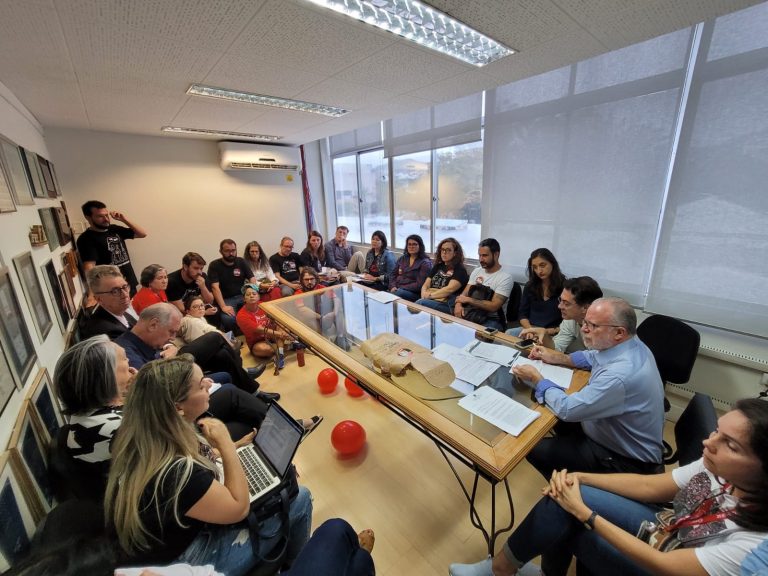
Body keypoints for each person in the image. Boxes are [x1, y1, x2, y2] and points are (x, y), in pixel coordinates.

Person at [450, 398, 768, 576]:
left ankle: (503, 569)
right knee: (567, 493)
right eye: (716, 432)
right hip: (672, 529)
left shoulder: (755, 546)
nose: (708, 443)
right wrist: (581, 478)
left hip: (672, 561)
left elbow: (666, 566)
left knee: (572, 523)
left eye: (730, 444)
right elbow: (652, 486)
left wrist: (586, 514)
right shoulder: (717, 465)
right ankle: (509, 568)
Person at [104, 356, 313, 574]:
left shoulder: (148, 436)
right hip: (189, 559)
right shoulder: (176, 472)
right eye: (200, 385)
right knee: (301, 498)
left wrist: (237, 445)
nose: (209, 383)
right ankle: (298, 569)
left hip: (163, 546)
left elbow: (201, 458)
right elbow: (239, 508)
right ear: (178, 407)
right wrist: (226, 444)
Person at [512, 297, 665, 478]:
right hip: (609, 430)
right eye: (584, 323)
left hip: (625, 461)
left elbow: (568, 409)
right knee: (550, 412)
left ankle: (568, 489)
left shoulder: (620, 375)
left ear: (619, 332)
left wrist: (537, 379)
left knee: (533, 447)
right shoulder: (629, 344)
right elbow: (594, 356)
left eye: (592, 325)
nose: (583, 329)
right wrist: (558, 358)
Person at [115, 303, 272, 399]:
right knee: (214, 337)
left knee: (222, 356)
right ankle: (246, 379)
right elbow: (152, 384)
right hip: (172, 372)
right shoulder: (125, 353)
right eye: (171, 332)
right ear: (153, 324)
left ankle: (253, 391)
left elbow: (158, 348)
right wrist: (169, 359)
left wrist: (170, 346)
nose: (172, 337)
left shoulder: (135, 333)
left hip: (171, 362)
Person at [53, 335, 135, 497]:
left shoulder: (88, 413)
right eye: (125, 358)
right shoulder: (115, 428)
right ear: (107, 375)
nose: (130, 363)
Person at [76, 200, 147, 302]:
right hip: (112, 290)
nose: (106, 219)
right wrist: (92, 293)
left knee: (133, 311)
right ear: (88, 217)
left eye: (106, 215)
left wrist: (124, 219)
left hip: (129, 283)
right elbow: (89, 267)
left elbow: (142, 234)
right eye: (100, 216)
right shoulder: (86, 239)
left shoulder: (114, 229)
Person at [520, 276, 603, 353]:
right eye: (560, 300)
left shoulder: (603, 327)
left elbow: (597, 359)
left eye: (566, 303)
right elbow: (557, 348)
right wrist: (545, 335)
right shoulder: (570, 321)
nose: (559, 306)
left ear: (585, 308)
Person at [454, 238, 513, 332]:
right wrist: (458, 305)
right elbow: (464, 295)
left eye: (485, 255)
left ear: (496, 255)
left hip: (493, 319)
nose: (481, 259)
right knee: (453, 329)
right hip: (472, 312)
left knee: (480, 336)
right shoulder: (477, 271)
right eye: (479, 255)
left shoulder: (505, 278)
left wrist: (468, 300)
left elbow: (493, 306)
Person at [509, 248, 565, 337]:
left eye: (542, 265)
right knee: (509, 333)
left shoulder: (565, 287)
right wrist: (530, 330)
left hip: (553, 332)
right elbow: (522, 315)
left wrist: (547, 331)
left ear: (552, 263)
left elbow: (570, 322)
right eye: (535, 267)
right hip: (531, 328)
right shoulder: (530, 286)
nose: (539, 271)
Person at [236, 284, 294, 370]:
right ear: (244, 299)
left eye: (254, 294)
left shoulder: (264, 305)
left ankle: (280, 355)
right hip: (258, 341)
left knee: (281, 324)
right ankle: (289, 346)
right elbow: (260, 330)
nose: (251, 296)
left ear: (259, 297)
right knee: (264, 349)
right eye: (248, 295)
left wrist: (284, 330)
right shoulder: (241, 315)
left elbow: (277, 317)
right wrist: (282, 335)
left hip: (272, 335)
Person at [208, 239, 256, 332]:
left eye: (233, 250)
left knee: (259, 310)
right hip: (226, 299)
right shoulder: (214, 265)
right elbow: (215, 287)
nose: (231, 253)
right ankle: (236, 335)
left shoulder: (241, 261)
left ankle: (251, 330)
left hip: (243, 295)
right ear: (221, 251)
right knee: (228, 319)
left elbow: (252, 279)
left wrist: (252, 294)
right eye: (227, 251)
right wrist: (223, 306)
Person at [80, 265, 137, 340]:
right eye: (115, 291)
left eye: (125, 287)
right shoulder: (105, 331)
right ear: (99, 299)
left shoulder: (121, 311)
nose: (125, 295)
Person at [415, 237, 469, 315]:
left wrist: (429, 296)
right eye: (442, 249)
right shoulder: (438, 266)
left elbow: (449, 290)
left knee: (420, 303)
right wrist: (423, 294)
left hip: (446, 304)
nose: (444, 252)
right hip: (431, 298)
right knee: (419, 303)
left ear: (455, 253)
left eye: (448, 250)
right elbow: (426, 285)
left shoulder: (460, 269)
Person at [166, 252, 217, 318]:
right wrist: (204, 313)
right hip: (181, 315)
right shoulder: (172, 281)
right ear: (185, 267)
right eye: (196, 268)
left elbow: (210, 301)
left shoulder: (202, 276)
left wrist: (203, 287)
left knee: (216, 314)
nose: (199, 272)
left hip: (195, 308)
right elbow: (181, 310)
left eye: (201, 268)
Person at [389, 233, 432, 302]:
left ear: (420, 246)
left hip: (414, 293)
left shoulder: (425, 263)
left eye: (414, 244)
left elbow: (419, 285)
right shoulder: (403, 258)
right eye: (409, 244)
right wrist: (392, 286)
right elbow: (393, 274)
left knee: (398, 293)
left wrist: (400, 287)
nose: (411, 247)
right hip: (397, 288)